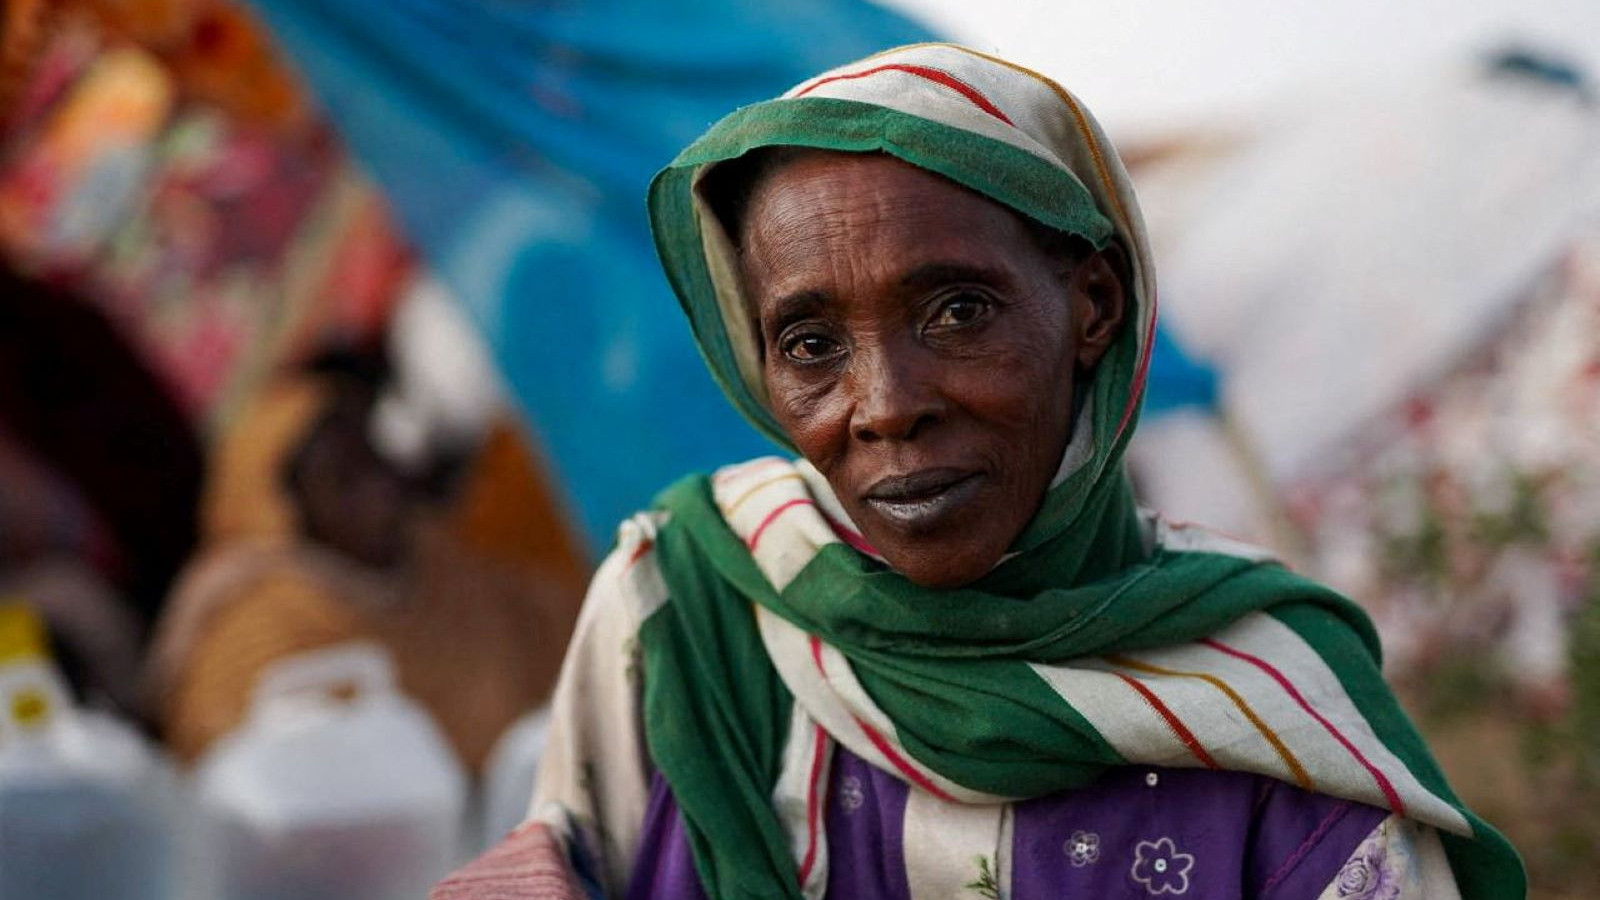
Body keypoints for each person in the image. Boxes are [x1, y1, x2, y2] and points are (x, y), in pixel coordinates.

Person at [434, 44, 1523, 899]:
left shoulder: (1274, 700)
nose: (887, 405)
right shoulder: (681, 608)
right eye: (809, 345)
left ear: (1092, 305)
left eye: (957, 312)